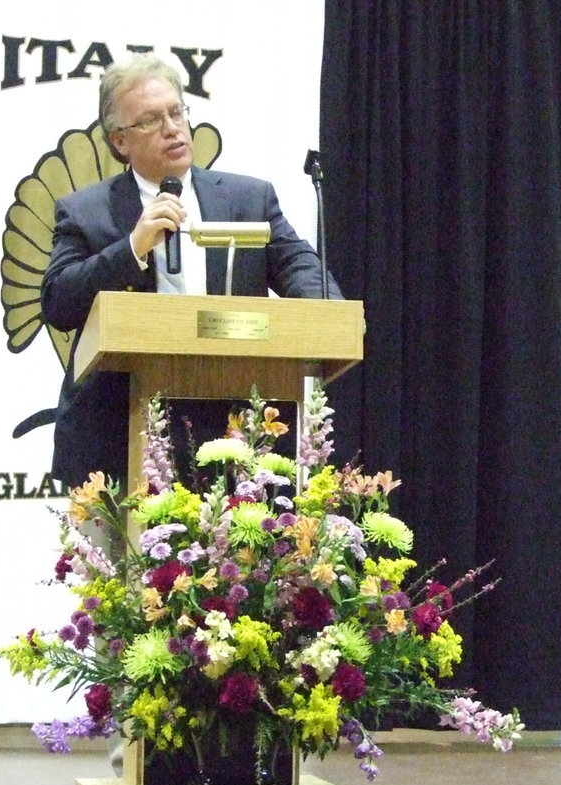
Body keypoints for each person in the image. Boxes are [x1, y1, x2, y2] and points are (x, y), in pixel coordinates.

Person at [42, 52, 342, 489]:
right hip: (116, 440)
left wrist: (331, 316)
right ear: (119, 141)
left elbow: (300, 268)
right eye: (149, 120)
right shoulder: (86, 212)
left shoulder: (249, 200)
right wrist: (132, 248)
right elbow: (58, 302)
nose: (171, 128)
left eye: (176, 111)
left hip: (236, 431)